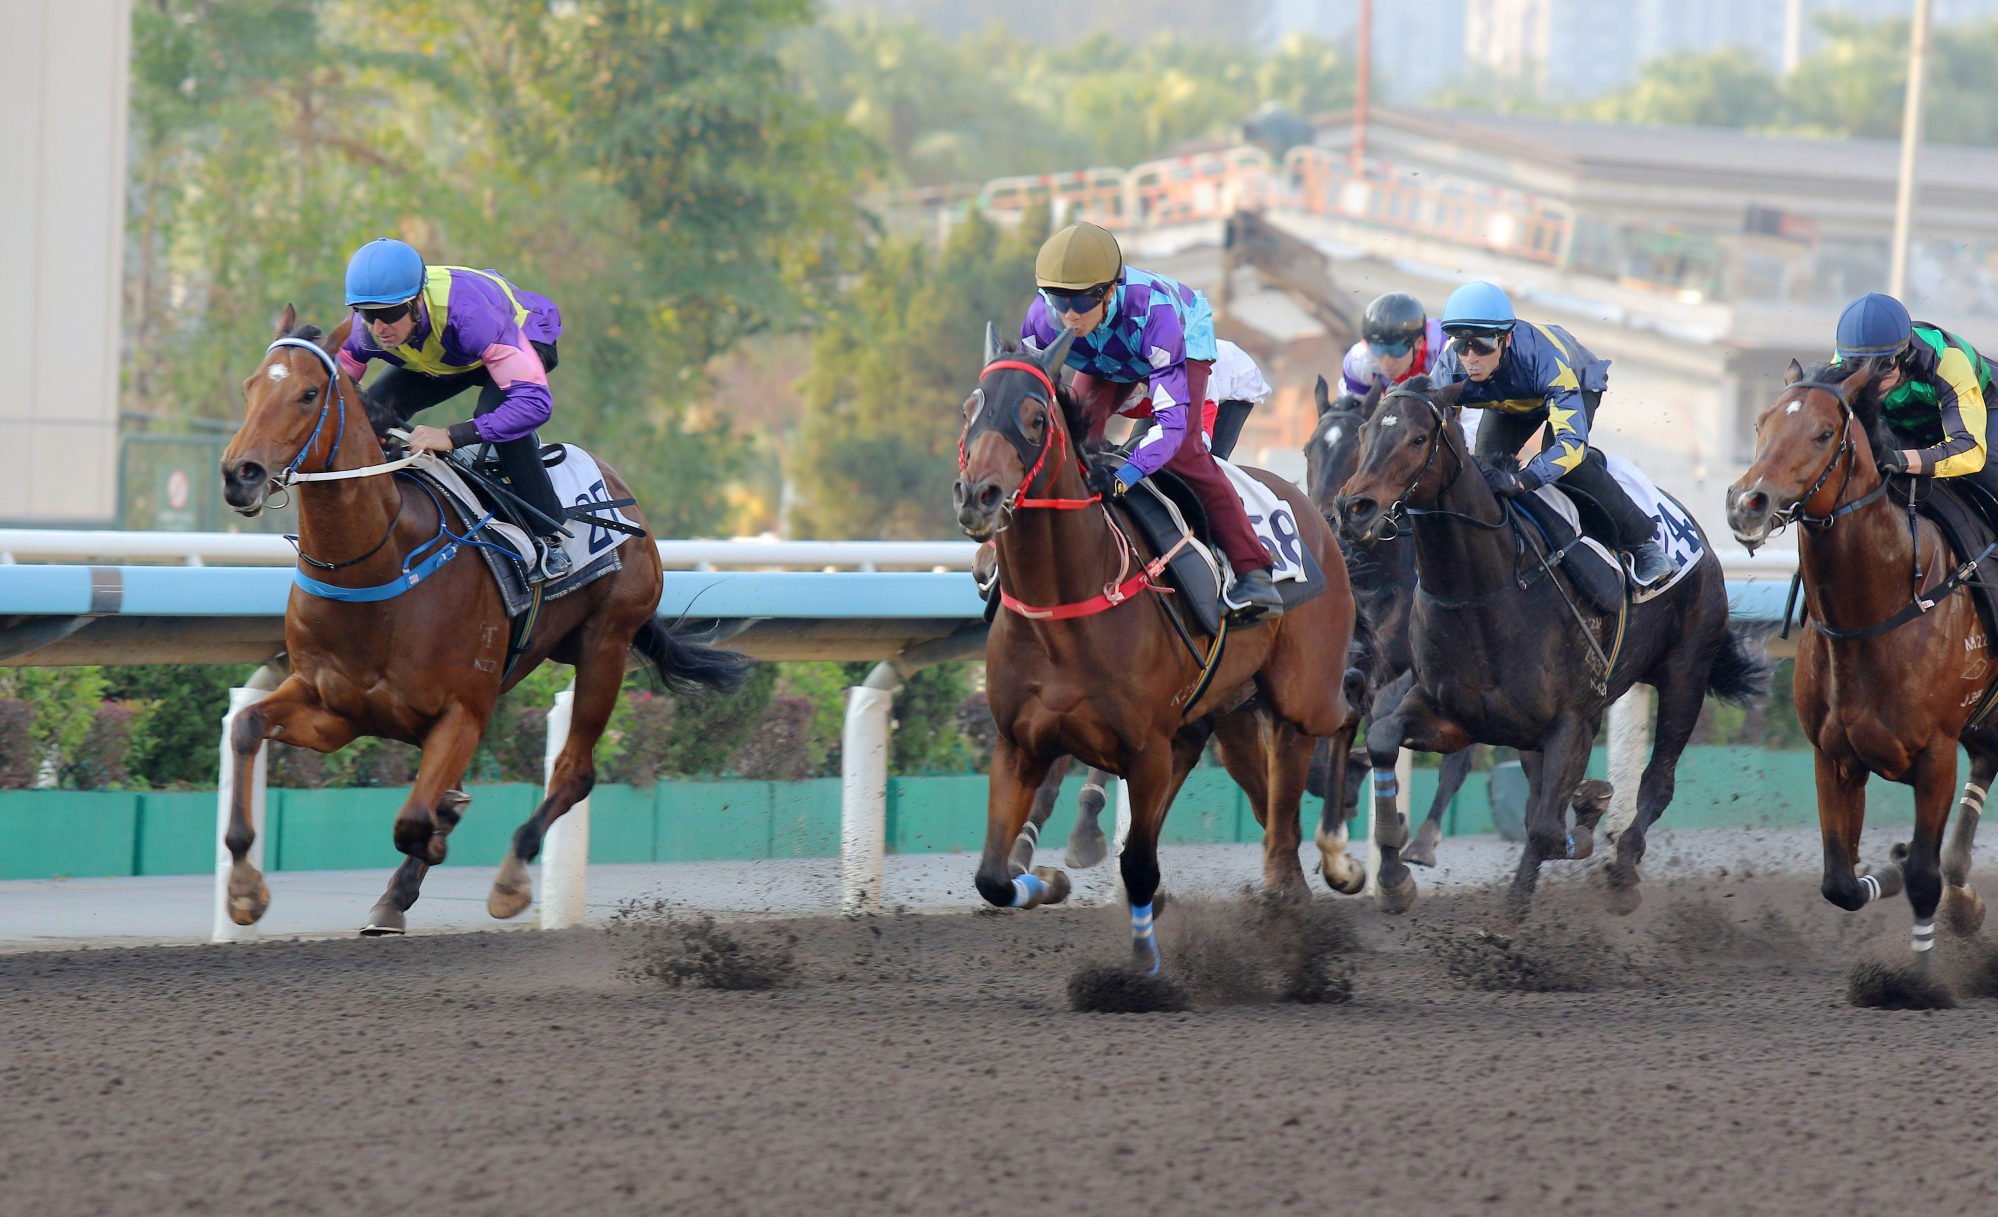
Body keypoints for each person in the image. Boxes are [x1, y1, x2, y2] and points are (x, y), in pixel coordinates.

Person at [1021, 222, 1285, 619]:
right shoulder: (1041, 319)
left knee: (1185, 454)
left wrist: (1123, 475)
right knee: (1076, 440)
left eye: (1080, 302)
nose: (1070, 316)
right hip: (1109, 351)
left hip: (1176, 336)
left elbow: (1172, 426)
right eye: (1059, 301)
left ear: (1108, 291)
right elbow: (1031, 399)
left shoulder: (1156, 315)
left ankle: (1254, 571)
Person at [337, 237, 573, 582]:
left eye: (388, 314)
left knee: (500, 421)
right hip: (449, 353)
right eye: (366, 314)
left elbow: (534, 404)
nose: (379, 327)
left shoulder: (471, 315)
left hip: (515, 337)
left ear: (417, 301)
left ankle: (547, 536)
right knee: (369, 415)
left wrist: (452, 436)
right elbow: (332, 399)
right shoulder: (365, 332)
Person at [1427, 280, 1675, 588]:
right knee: (1484, 471)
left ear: (1506, 338)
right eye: (1461, 344)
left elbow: (1569, 445)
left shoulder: (1543, 359)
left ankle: (1643, 544)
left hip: (1575, 384)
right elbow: (1429, 422)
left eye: (1482, 344)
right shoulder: (1450, 367)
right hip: (1510, 401)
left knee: (1567, 465)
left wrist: (1523, 480)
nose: (1471, 357)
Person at [1831, 291, 1998, 506]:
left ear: (1906, 355)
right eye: (1858, 367)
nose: (1871, 380)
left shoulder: (1945, 360)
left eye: (1883, 365)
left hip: (1984, 408)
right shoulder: (1840, 364)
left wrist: (1901, 460)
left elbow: (1970, 451)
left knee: (1986, 470)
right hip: (1907, 420)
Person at [1340, 291, 1446, 399]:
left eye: (1396, 350)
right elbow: (1353, 412)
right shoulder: (1359, 361)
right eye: (1378, 350)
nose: (1387, 362)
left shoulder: (1442, 347)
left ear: (1418, 343)